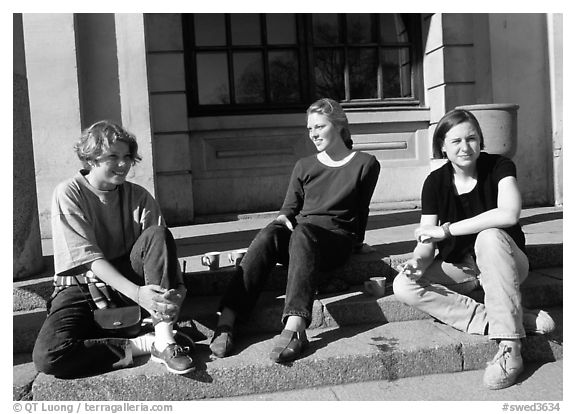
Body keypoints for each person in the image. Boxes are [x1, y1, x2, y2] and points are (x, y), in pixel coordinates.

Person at [392, 109, 555, 390]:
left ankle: (511, 351)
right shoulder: (435, 182)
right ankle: (509, 319)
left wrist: (447, 230)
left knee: (489, 236)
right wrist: (418, 260)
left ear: (480, 140)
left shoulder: (500, 166)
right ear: (442, 145)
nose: (465, 147)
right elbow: (426, 239)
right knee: (403, 285)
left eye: (471, 138)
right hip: (463, 268)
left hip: (507, 262)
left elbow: (509, 214)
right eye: (455, 141)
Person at [209, 98, 381, 363]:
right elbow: (288, 209)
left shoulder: (365, 164)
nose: (313, 133)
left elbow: (361, 210)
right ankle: (228, 320)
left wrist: (359, 242)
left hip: (335, 242)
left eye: (320, 127)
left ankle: (295, 327)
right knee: (271, 233)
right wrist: (281, 221)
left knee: (303, 232)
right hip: (301, 240)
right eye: (310, 128)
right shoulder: (304, 165)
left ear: (339, 126)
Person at [32, 121, 194, 378]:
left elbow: (161, 249)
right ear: (91, 158)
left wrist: (178, 291)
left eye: (127, 156)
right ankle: (144, 344)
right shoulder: (68, 192)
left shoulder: (139, 196)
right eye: (113, 157)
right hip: (80, 284)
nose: (124, 164)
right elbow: (87, 258)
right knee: (49, 357)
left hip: (130, 277)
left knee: (157, 233)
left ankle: (164, 339)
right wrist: (138, 294)